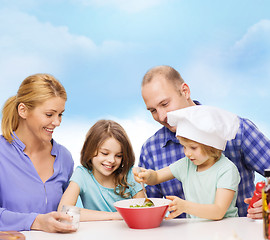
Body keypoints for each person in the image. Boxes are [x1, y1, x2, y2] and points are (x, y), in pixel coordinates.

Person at [139, 65, 270, 219]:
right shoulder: (151, 149)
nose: (161, 117)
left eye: (165, 104)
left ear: (185, 91)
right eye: (153, 110)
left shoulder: (237, 131)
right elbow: (147, 206)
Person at [134, 105, 241, 220]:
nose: (187, 153)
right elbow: (157, 176)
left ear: (212, 146)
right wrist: (148, 175)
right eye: (184, 147)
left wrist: (185, 206)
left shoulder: (227, 170)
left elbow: (218, 212)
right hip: (196, 229)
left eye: (193, 148)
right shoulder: (186, 165)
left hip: (225, 230)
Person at [0, 74, 75, 232]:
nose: (57, 122)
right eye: (49, 114)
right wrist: (37, 222)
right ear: (23, 110)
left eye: (60, 114)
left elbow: (67, 210)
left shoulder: (64, 158)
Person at [58, 120, 144, 221]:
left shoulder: (130, 174)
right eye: (104, 153)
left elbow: (143, 211)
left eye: (118, 156)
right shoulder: (82, 174)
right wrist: (114, 216)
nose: (111, 160)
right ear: (90, 149)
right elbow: (63, 212)